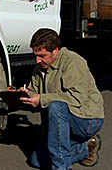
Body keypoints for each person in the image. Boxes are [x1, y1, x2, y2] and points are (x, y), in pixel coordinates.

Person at [19, 28, 104, 170]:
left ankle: (61, 167)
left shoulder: (73, 62)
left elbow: (76, 98)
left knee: (56, 106)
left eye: (42, 55)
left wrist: (42, 99)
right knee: (36, 160)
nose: (37, 60)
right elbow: (35, 92)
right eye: (36, 55)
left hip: (87, 119)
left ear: (55, 51)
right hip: (62, 120)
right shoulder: (40, 67)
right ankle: (85, 147)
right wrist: (25, 94)